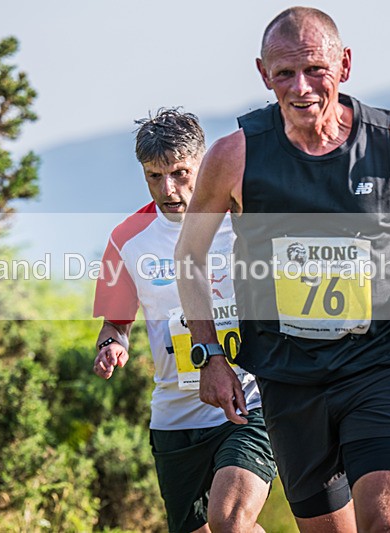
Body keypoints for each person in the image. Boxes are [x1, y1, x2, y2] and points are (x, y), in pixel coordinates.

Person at [175, 7, 390, 532]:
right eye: (284, 74)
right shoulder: (234, 157)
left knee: (388, 522)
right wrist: (210, 353)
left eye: (315, 70)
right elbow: (188, 256)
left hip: (379, 365)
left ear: (344, 65)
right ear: (263, 74)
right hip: (289, 378)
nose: (300, 87)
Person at [92, 108, 277, 533]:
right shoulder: (127, 239)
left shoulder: (244, 221)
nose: (169, 190)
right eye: (154, 176)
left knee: (229, 520)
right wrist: (111, 346)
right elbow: (115, 324)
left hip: (251, 402)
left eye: (179, 172)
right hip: (176, 415)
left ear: (204, 162)